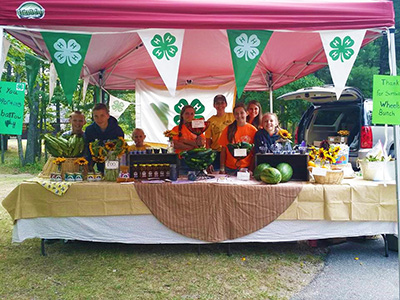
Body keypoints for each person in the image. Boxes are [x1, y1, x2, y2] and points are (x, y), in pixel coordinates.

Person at [218, 103, 258, 175]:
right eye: (236, 113)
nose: (239, 116)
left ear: (247, 113)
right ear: (234, 115)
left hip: (246, 168)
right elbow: (223, 150)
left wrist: (251, 169)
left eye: (242, 113)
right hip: (229, 168)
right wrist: (222, 167)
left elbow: (254, 152)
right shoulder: (228, 129)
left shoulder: (253, 130)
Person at [84, 103, 124, 173]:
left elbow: (121, 148)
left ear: (108, 116)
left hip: (114, 165)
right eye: (96, 116)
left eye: (102, 115)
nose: (99, 119)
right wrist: (89, 166)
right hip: (97, 165)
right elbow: (88, 149)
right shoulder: (89, 130)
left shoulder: (117, 130)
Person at [205, 94, 235, 171]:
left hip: (230, 151)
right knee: (217, 174)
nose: (220, 105)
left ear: (226, 104)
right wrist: (208, 158)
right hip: (216, 152)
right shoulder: (210, 121)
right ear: (214, 105)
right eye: (217, 103)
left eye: (222, 102)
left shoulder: (232, 116)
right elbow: (208, 141)